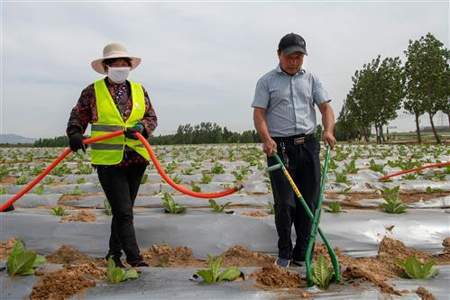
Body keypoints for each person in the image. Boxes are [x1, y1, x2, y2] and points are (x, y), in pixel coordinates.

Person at [66, 43, 157, 268]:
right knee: (124, 211)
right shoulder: (92, 91)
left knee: (123, 211)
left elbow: (151, 117)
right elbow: (79, 114)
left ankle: (113, 255)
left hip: (137, 158)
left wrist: (142, 127)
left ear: (129, 66)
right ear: (106, 66)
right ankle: (135, 259)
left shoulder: (138, 89)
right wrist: (75, 132)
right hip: (109, 162)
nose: (120, 67)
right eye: (115, 64)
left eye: (124, 64)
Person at [252, 33, 336, 268]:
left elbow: (326, 108)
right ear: (279, 55)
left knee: (309, 202)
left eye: (299, 56)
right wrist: (266, 139)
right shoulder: (266, 81)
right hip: (280, 148)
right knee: (286, 203)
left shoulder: (311, 80)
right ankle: (284, 252)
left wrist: (328, 130)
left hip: (308, 146)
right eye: (290, 56)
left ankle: (302, 253)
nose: (294, 60)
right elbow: (259, 114)